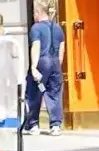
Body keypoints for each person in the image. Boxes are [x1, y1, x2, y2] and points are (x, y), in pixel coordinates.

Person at [24, 0, 63, 135]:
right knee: (54, 93)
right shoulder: (58, 28)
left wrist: (33, 67)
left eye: (34, 12)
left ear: (38, 12)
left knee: (34, 93)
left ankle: (33, 124)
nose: (33, 15)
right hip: (55, 63)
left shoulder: (36, 28)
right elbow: (61, 50)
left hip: (42, 62)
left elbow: (36, 46)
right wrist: (58, 66)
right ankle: (55, 125)